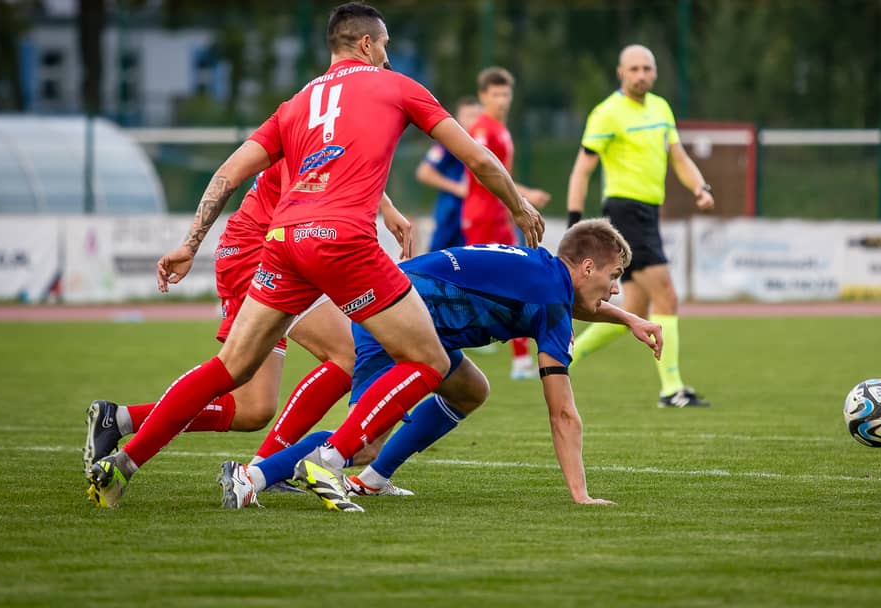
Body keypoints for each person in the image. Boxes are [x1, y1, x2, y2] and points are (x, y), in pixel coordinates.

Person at [85, 1, 543, 510]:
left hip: (283, 241)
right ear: (366, 44)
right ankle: (329, 460)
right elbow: (477, 158)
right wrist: (518, 205)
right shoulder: (397, 86)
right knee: (429, 360)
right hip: (343, 242)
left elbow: (228, 174)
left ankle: (123, 464)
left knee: (231, 367)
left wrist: (190, 243)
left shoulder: (297, 103)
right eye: (384, 46)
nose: (387, 56)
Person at [218, 219, 662, 509]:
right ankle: (252, 477)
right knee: (363, 442)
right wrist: (581, 495)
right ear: (587, 267)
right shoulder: (550, 298)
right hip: (393, 316)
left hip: (403, 309)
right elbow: (562, 412)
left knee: (470, 388)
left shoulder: (547, 275)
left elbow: (571, 303)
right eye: (614, 277)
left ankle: (373, 480)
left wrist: (628, 319)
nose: (616, 289)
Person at [81, 159, 413, 478]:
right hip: (260, 251)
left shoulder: (329, 134)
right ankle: (262, 472)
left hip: (260, 248)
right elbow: (263, 181)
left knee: (254, 409)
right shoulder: (310, 134)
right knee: (347, 354)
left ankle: (119, 419)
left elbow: (344, 164)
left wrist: (385, 206)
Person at [566, 44, 715, 408]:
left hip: (648, 212)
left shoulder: (661, 108)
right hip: (625, 212)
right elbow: (582, 169)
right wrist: (574, 221)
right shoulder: (606, 113)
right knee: (667, 295)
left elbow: (678, 157)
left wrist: (700, 187)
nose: (641, 75)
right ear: (621, 73)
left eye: (647, 68)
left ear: (655, 72)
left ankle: (567, 354)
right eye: (633, 69)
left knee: (634, 305)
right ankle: (671, 389)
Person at [460, 67, 552, 380]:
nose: (501, 100)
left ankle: (520, 358)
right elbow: (483, 174)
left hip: (500, 216)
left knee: (509, 284)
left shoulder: (500, 129)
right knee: (497, 285)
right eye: (495, 94)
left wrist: (521, 197)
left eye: (505, 94)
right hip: (483, 217)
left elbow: (503, 177)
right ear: (483, 96)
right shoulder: (482, 130)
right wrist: (523, 197)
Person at [414, 96, 482, 252]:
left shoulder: (484, 144)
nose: (474, 121)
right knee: (440, 258)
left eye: (477, 116)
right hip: (451, 214)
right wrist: (458, 188)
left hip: (477, 215)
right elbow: (424, 172)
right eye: (469, 116)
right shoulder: (450, 143)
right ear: (458, 118)